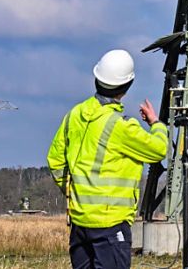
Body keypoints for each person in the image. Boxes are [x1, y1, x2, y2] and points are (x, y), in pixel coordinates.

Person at [47, 49, 168, 269]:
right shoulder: (120, 127)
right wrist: (156, 124)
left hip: (79, 224)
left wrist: (74, 193)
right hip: (110, 225)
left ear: (97, 78)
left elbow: (55, 160)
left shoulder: (74, 115)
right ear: (127, 86)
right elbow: (159, 149)